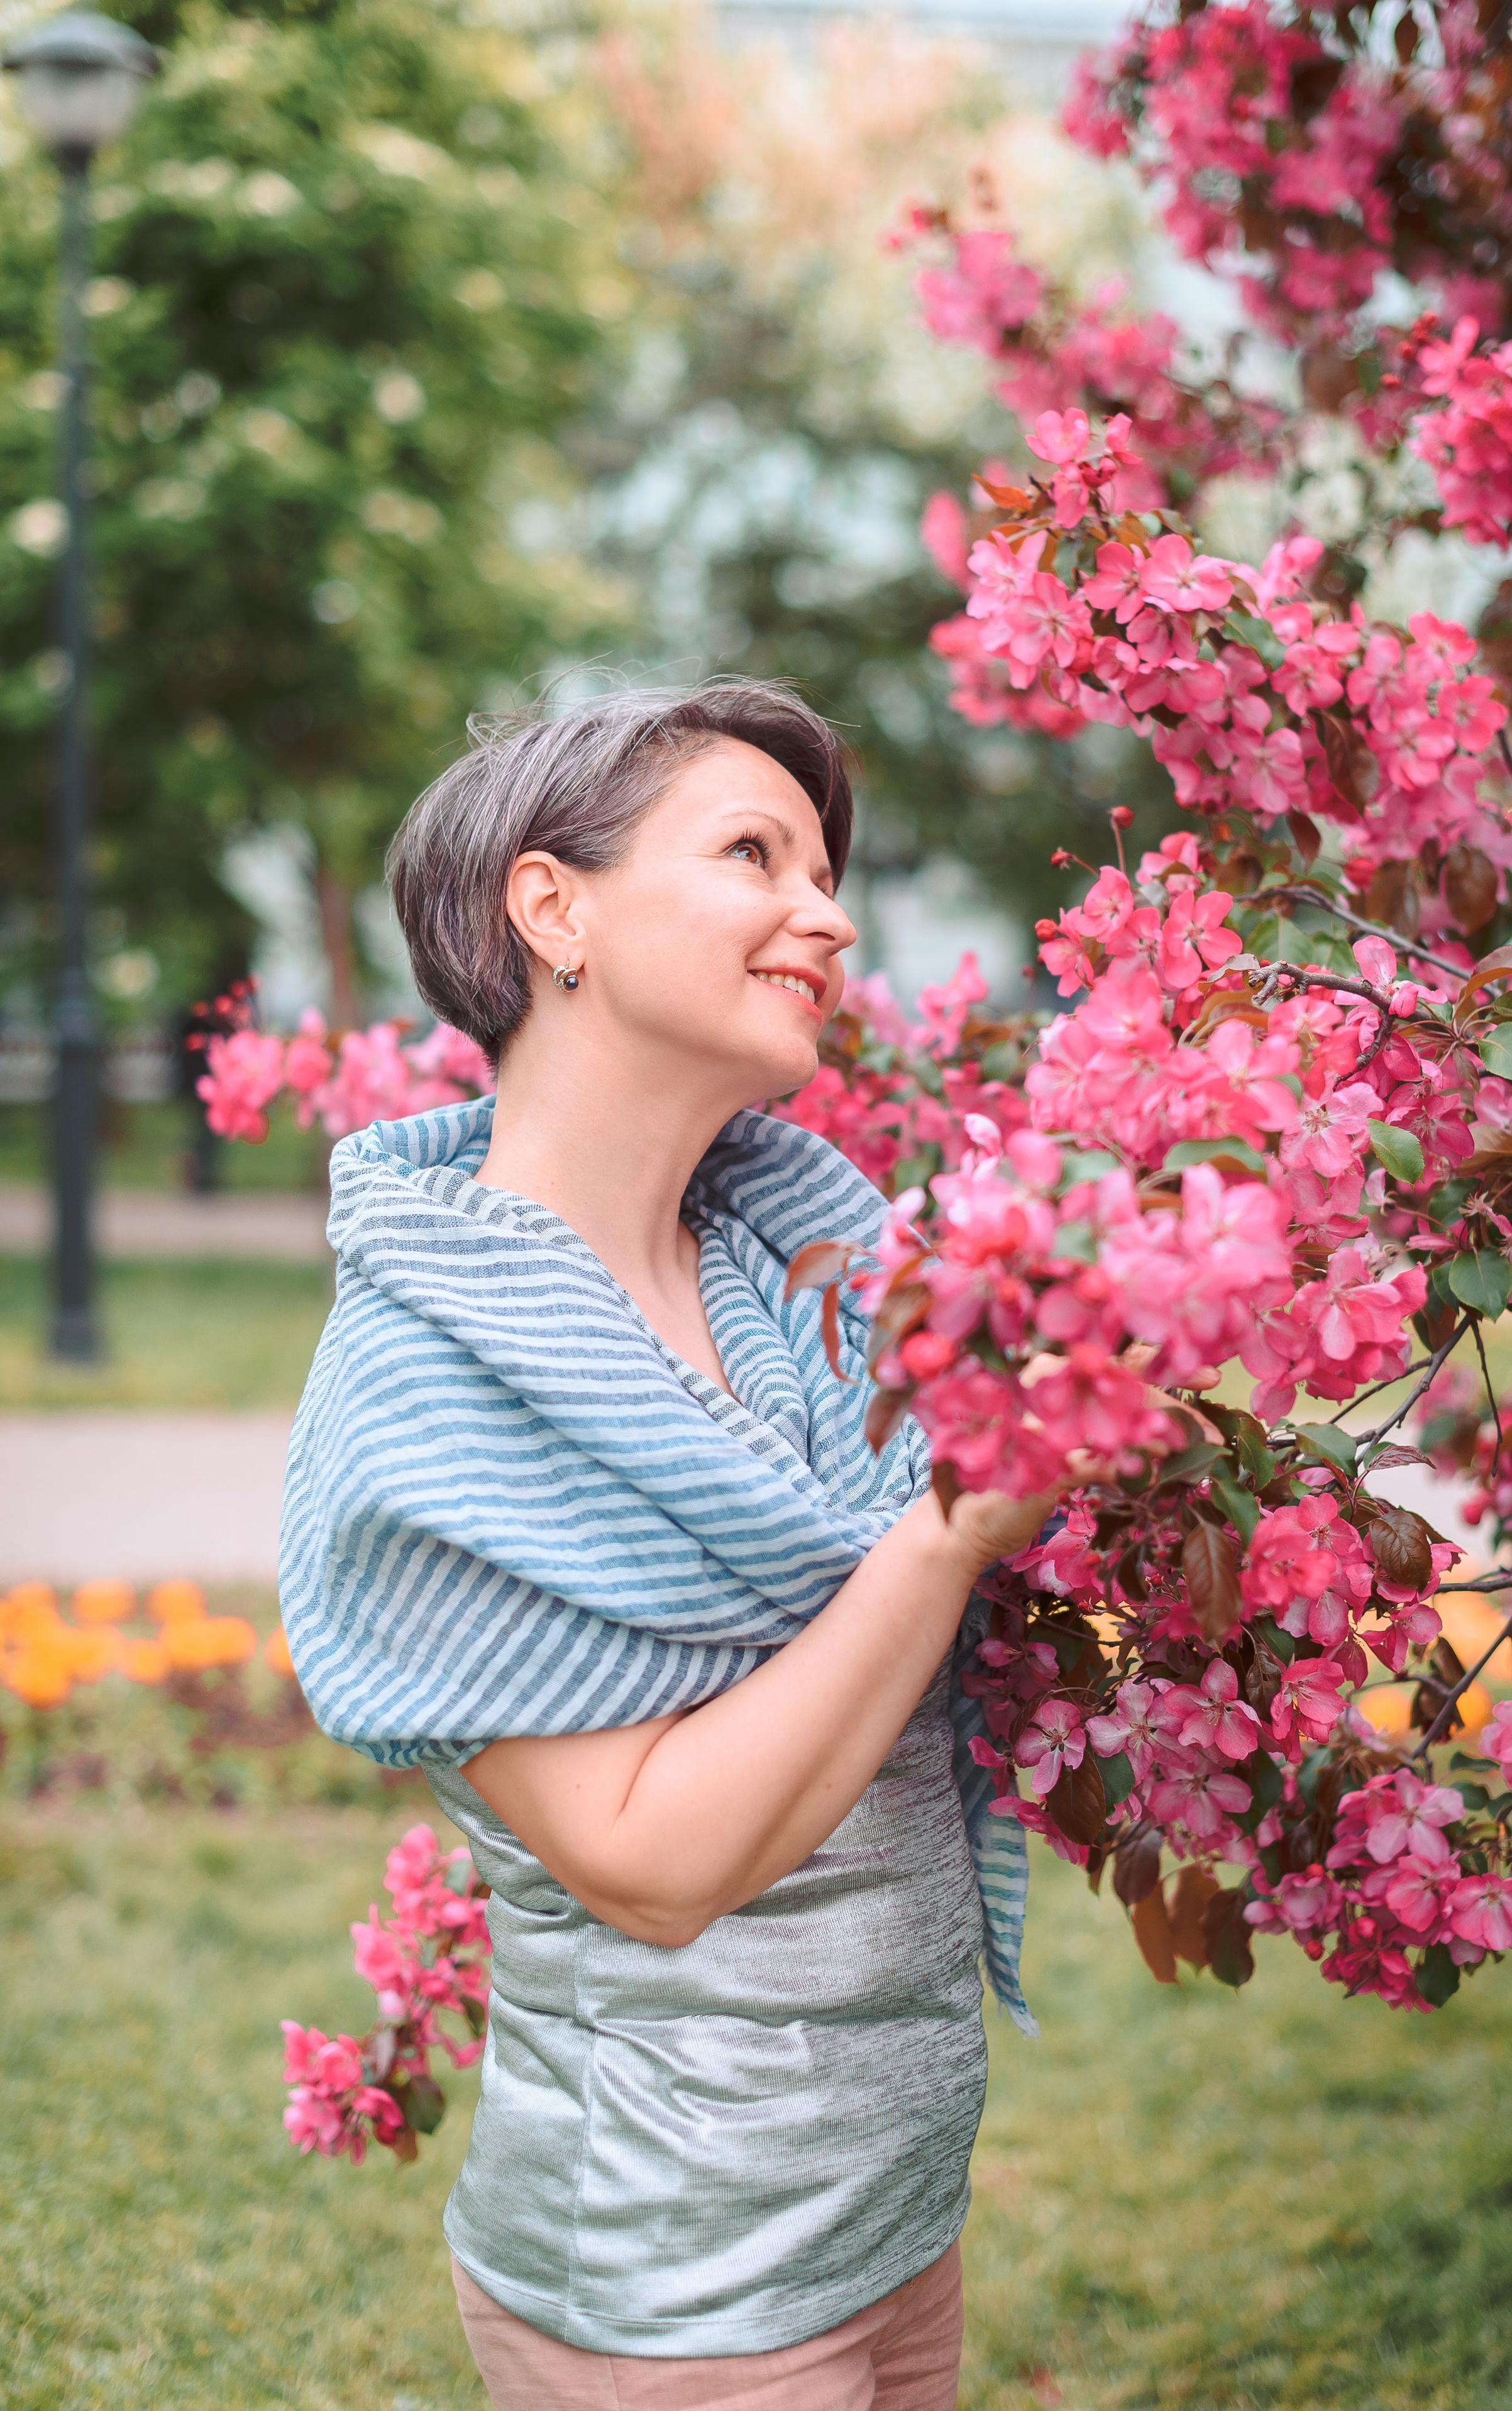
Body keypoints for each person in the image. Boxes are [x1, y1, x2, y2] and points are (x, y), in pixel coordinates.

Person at [279, 681, 1060, 2409]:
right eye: (753, 852)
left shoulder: (797, 1281)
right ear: (553, 906)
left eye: (827, 865)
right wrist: (945, 1539)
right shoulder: (430, 1386)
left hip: (889, 2208)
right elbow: (649, 1865)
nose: (832, 912)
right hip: (674, 2287)